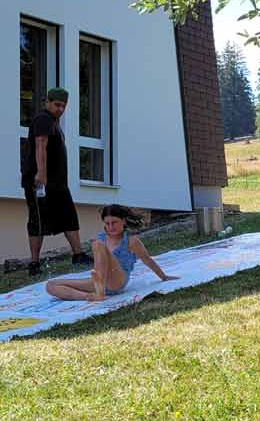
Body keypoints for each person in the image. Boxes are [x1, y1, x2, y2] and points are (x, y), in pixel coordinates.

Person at [22, 88, 93, 276]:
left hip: (58, 183)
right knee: (38, 220)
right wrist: (41, 174)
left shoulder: (53, 122)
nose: (60, 109)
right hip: (40, 181)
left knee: (68, 216)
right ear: (47, 102)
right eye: (57, 105)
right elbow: (40, 145)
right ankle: (34, 264)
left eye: (63, 106)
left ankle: (78, 255)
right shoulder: (43, 119)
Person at [46, 205, 178, 301]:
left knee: (97, 244)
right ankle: (91, 296)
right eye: (107, 223)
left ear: (123, 221)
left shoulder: (131, 241)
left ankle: (100, 290)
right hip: (98, 280)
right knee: (50, 285)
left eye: (114, 222)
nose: (110, 227)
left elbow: (147, 260)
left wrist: (163, 276)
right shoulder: (102, 238)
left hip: (117, 281)